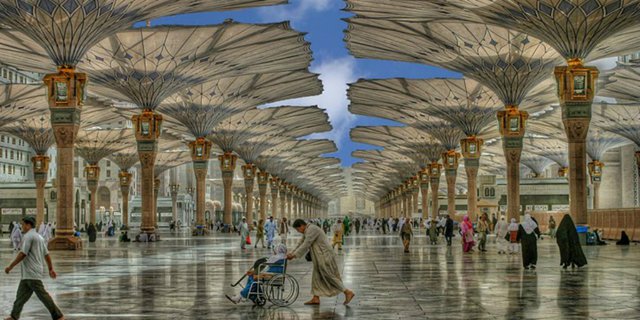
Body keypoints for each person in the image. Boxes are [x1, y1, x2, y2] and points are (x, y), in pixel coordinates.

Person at [4, 216, 65, 320]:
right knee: (20, 297)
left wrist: (10, 266)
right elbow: (47, 255)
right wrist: (50, 269)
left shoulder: (28, 237)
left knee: (43, 296)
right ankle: (14, 316)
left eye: (23, 224)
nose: (22, 226)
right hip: (29, 274)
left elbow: (23, 253)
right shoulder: (39, 237)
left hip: (31, 274)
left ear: (28, 225)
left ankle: (58, 316)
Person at [287, 219, 355, 305]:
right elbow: (301, 242)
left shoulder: (312, 229)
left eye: (298, 229)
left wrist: (294, 255)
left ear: (301, 226)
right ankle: (316, 298)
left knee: (328, 275)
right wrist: (291, 252)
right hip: (318, 256)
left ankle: (347, 292)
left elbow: (306, 244)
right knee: (316, 277)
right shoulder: (307, 230)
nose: (298, 231)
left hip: (324, 256)